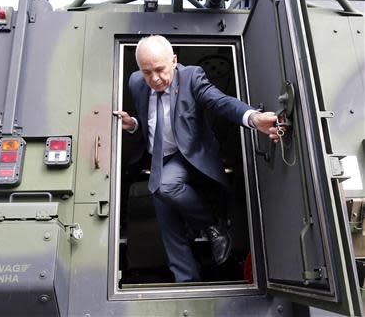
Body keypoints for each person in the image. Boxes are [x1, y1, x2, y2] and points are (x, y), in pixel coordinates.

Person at [113, 35, 280, 283]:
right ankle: (186, 281)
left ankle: (213, 225)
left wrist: (253, 118)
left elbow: (220, 101)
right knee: (168, 229)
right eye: (147, 72)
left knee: (166, 186)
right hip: (159, 160)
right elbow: (147, 117)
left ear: (174, 61)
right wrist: (134, 123)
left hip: (188, 156)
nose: (155, 79)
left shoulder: (192, 76)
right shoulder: (137, 82)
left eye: (160, 70)